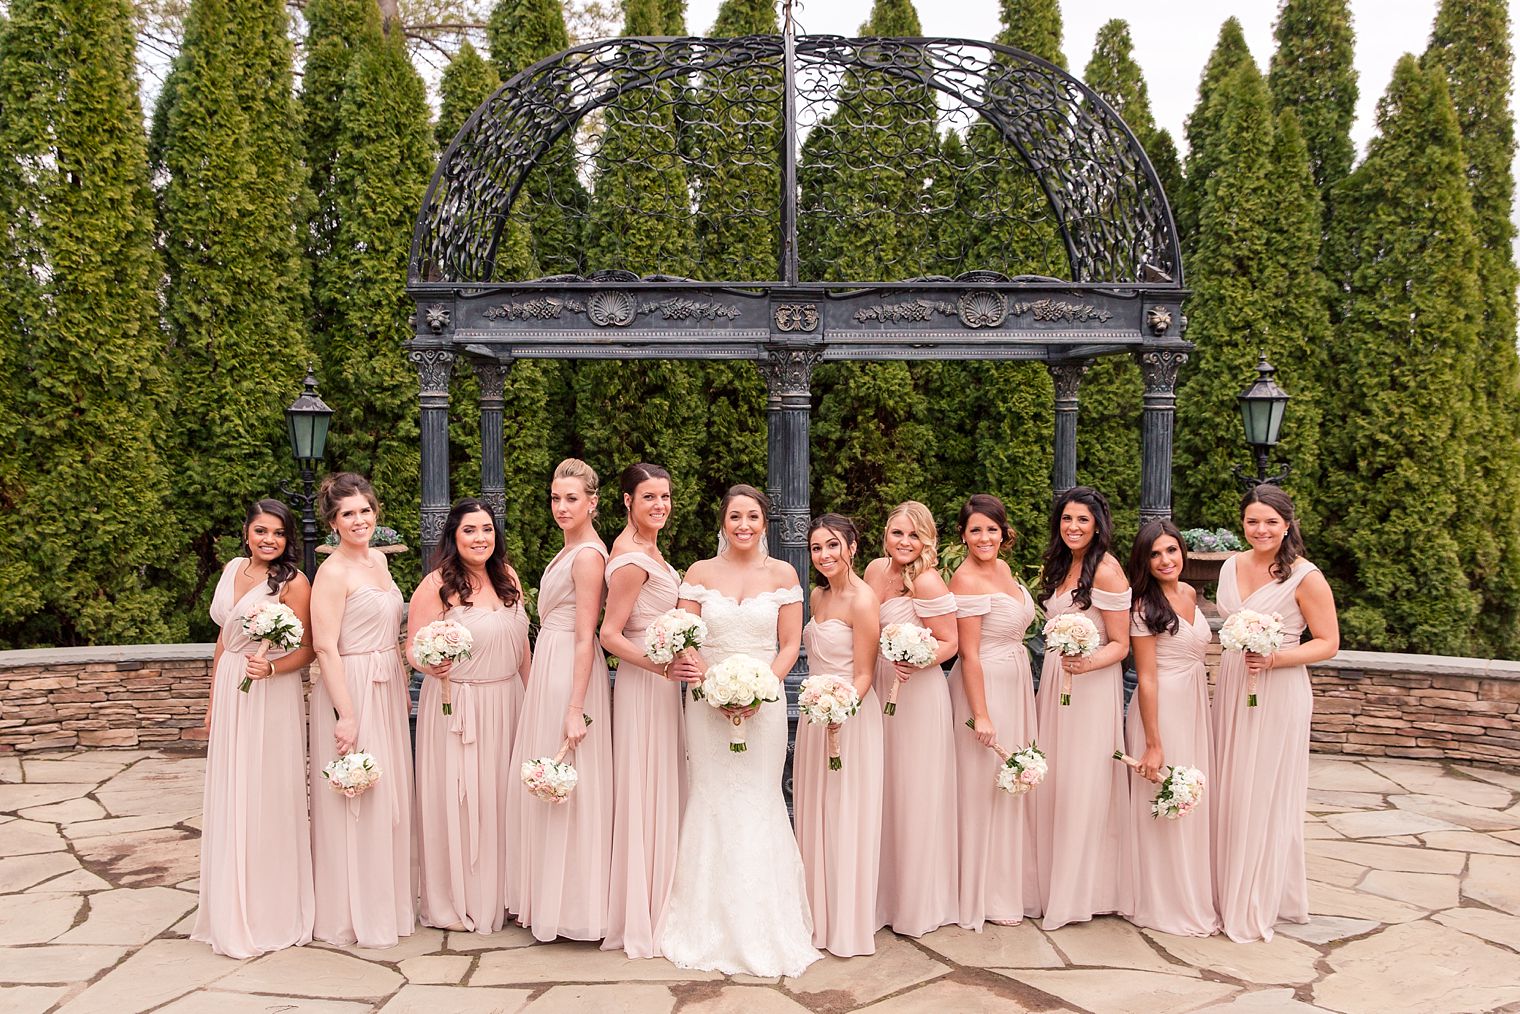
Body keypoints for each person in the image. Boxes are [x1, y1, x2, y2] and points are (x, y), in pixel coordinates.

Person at [655, 485, 820, 977]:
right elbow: (686, 639)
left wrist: (761, 689)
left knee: (758, 795)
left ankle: (767, 921)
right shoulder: (700, 574)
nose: (743, 525)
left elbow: (789, 644)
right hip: (707, 700)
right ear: (722, 523)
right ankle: (705, 921)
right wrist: (712, 685)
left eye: (752, 516)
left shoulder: (785, 574)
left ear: (764, 523)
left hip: (763, 702)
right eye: (735, 517)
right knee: (711, 795)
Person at [1213, 485, 1338, 942]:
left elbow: (1328, 642)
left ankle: (1258, 895)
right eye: (1252, 521)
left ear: (1287, 524)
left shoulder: (1306, 576)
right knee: (1231, 783)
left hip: (1279, 685)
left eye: (1269, 521)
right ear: (1243, 524)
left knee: (1262, 789)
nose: (1260, 529)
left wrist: (1275, 659)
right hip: (1232, 683)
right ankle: (1224, 887)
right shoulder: (1230, 565)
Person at [193, 499, 315, 957]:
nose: (270, 540)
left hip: (270, 690)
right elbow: (224, 639)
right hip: (231, 688)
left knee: (266, 791)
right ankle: (228, 905)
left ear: (287, 539)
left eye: (279, 533)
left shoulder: (294, 582)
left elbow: (309, 648)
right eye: (261, 531)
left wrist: (275, 670)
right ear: (246, 532)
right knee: (231, 791)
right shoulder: (231, 570)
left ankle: (269, 909)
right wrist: (211, 702)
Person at [409, 498, 531, 935]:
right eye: (470, 531)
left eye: (486, 529)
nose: (480, 538)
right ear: (454, 537)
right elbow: (412, 647)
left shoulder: (508, 578)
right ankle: (462, 899)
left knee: (504, 801)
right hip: (460, 705)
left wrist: (534, 699)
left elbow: (523, 650)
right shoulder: (437, 585)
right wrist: (430, 663)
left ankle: (506, 893)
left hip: (510, 701)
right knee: (464, 801)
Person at [506, 459, 613, 942]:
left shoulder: (589, 555)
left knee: (570, 781)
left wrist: (575, 707)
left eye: (572, 498)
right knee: (548, 779)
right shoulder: (565, 551)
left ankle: (573, 907)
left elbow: (586, 635)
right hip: (549, 663)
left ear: (592, 502)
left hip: (570, 673)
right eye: (555, 497)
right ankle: (545, 897)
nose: (562, 506)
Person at [308, 473, 416, 948]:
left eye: (365, 510)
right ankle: (351, 912)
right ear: (333, 522)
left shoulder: (378, 560)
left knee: (383, 797)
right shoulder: (332, 573)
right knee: (356, 794)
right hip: (351, 685)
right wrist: (345, 714)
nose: (359, 520)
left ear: (376, 513)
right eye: (348, 513)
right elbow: (326, 648)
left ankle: (384, 905)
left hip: (387, 683)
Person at [1033, 485, 1134, 931]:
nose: (1073, 527)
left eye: (1083, 521)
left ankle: (1081, 893)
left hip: (1091, 687)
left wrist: (1085, 661)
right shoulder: (1059, 566)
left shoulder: (1108, 572)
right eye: (1067, 519)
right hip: (1057, 683)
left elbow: (1122, 645)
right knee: (1057, 780)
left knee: (1084, 783)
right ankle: (1050, 882)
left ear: (1098, 526)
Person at [600, 463, 685, 958]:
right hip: (644, 683)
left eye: (666, 497)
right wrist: (659, 668)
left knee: (659, 782)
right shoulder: (631, 559)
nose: (660, 505)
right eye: (649, 497)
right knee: (644, 783)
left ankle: (659, 896)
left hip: (660, 682)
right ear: (627, 502)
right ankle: (643, 910)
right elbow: (610, 635)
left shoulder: (649, 549)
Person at [864, 501, 959, 938]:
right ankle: (883, 896)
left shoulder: (927, 580)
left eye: (913, 536)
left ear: (927, 540)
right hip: (881, 687)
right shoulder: (873, 571)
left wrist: (917, 659)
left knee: (915, 791)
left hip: (918, 695)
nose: (904, 542)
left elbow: (950, 642)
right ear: (886, 534)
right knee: (885, 789)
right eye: (897, 533)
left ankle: (916, 904)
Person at [947, 494, 1040, 929]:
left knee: (1010, 784)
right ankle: (980, 893)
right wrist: (981, 714)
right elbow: (968, 655)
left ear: (1005, 532)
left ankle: (1009, 885)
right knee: (982, 786)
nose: (984, 537)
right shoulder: (964, 579)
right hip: (982, 687)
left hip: (1016, 680)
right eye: (975, 530)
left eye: (991, 529)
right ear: (963, 536)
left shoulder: (1003, 569)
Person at [1123, 519, 1219, 936]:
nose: (1165, 560)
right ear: (1145, 561)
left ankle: (1192, 890)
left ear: (1183, 551)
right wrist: (1153, 743)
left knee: (1191, 797)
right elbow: (1145, 677)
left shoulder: (1190, 594)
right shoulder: (1144, 606)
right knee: (1166, 799)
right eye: (1155, 553)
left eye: (1172, 550)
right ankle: (1163, 900)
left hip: (1194, 704)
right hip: (1159, 711)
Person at [794, 513, 884, 956]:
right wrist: (822, 707)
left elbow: (866, 672)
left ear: (851, 547)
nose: (824, 555)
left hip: (849, 717)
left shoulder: (864, 601)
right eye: (816, 548)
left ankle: (845, 923)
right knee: (818, 810)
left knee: (845, 812)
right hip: (817, 715)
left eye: (832, 546)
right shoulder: (816, 596)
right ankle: (817, 916)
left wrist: (842, 709)